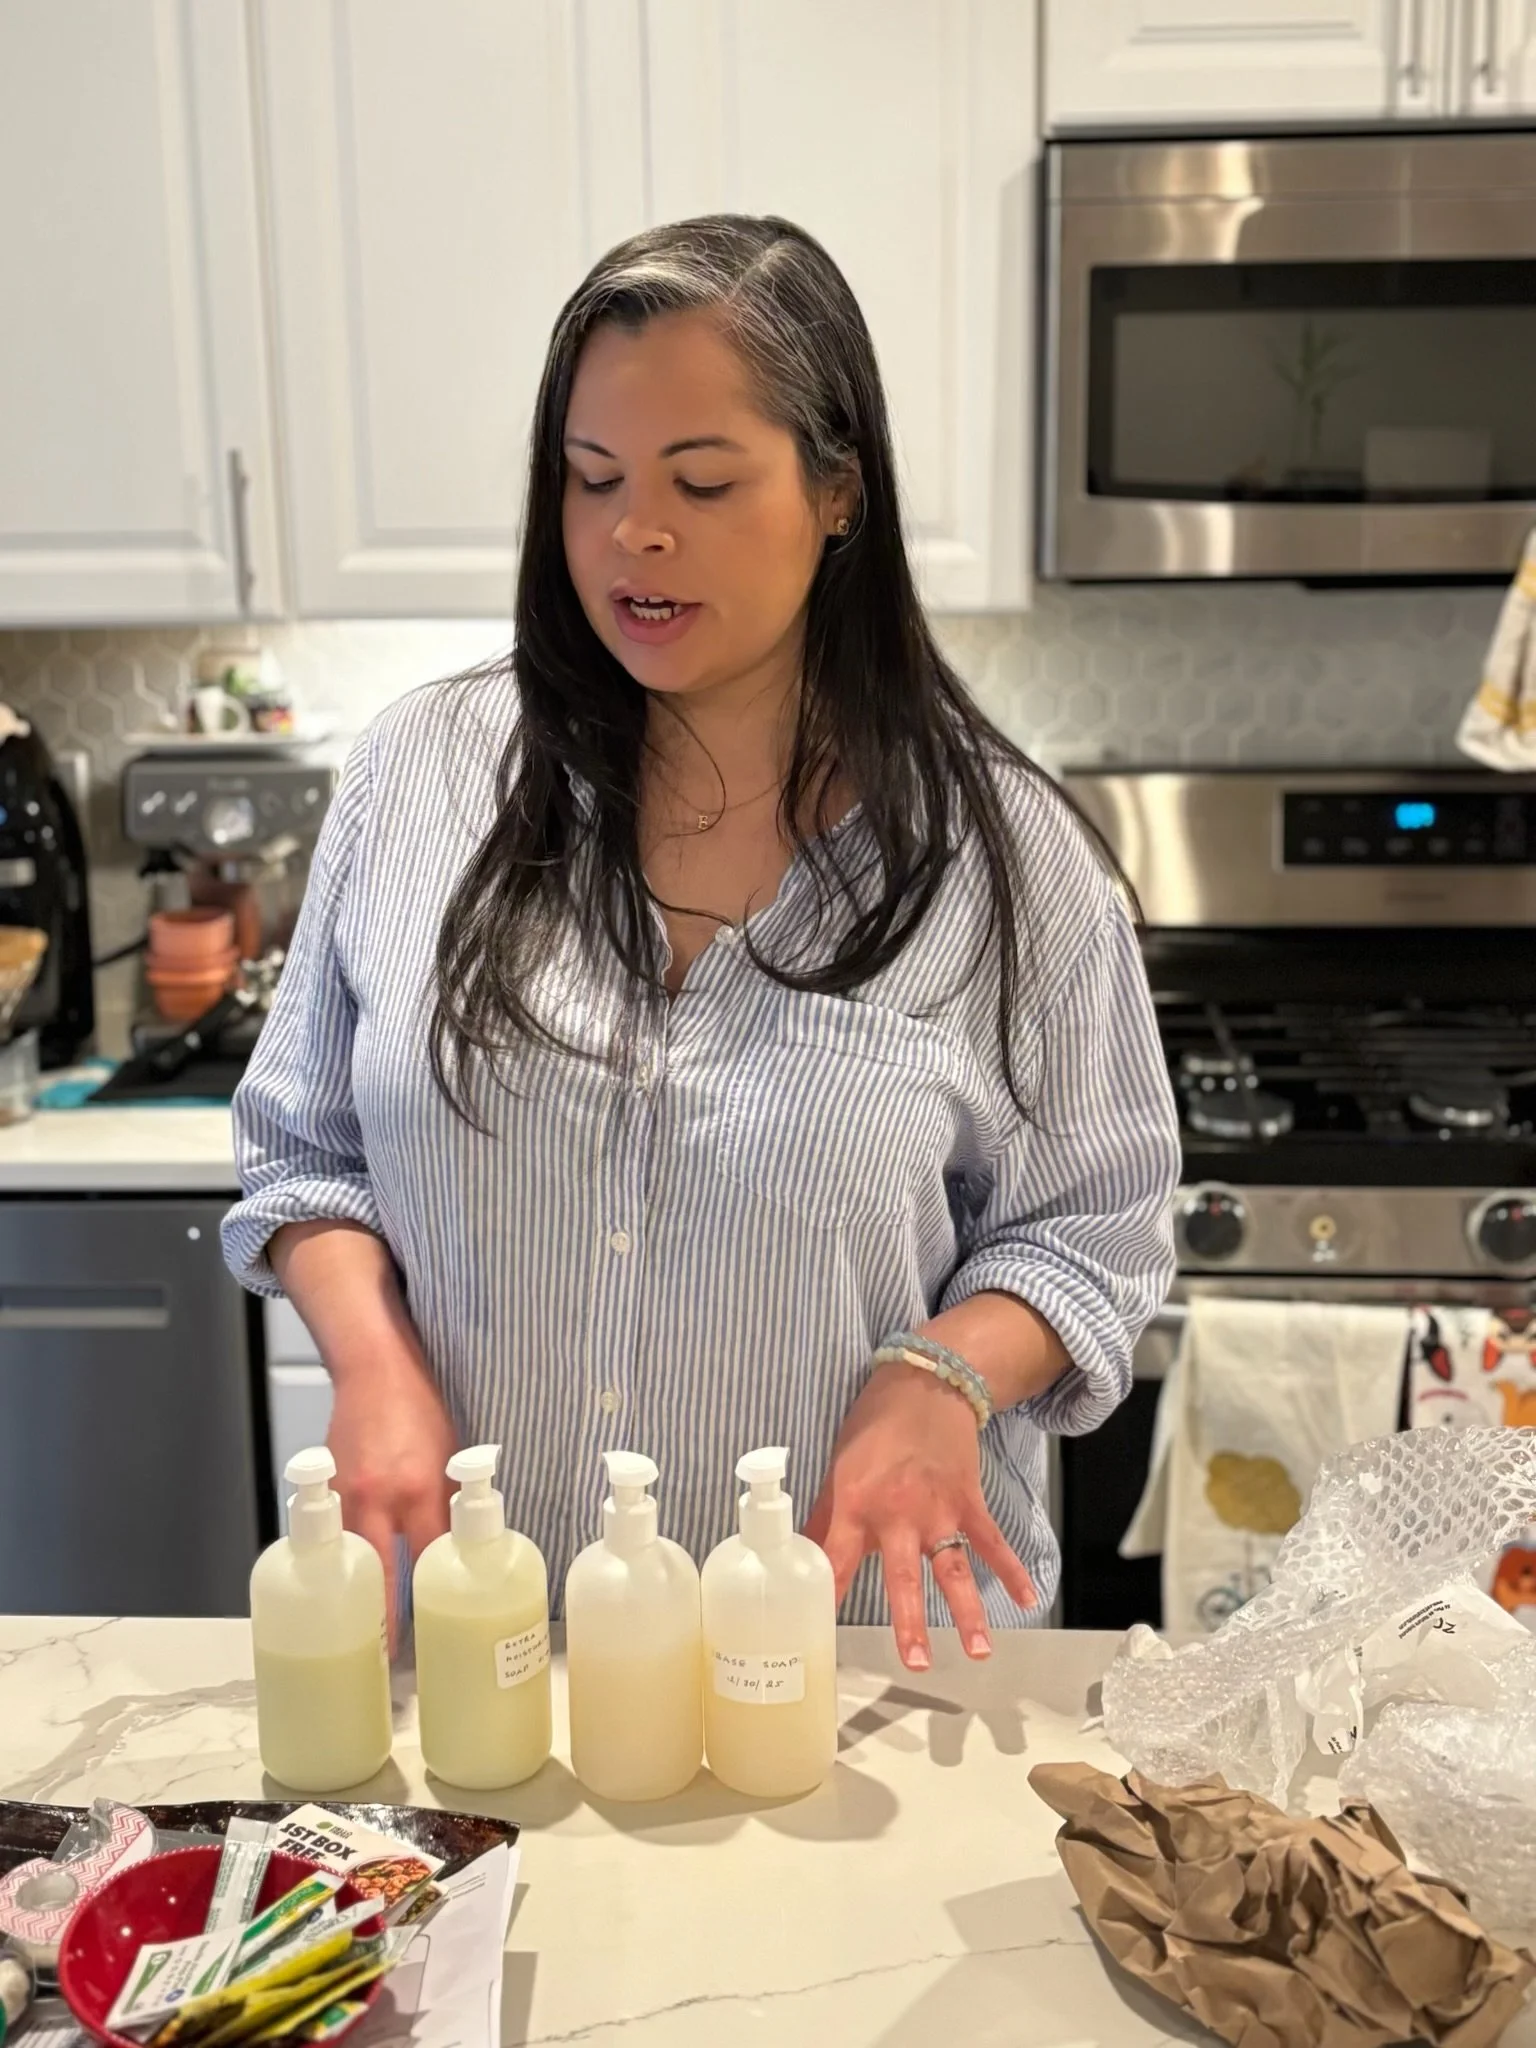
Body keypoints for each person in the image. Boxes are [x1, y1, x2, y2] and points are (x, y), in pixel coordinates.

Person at [223, 214, 1179, 1674]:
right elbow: (307, 1149)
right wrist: (372, 1362)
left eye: (703, 482)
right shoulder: (419, 777)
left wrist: (940, 1376)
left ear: (840, 490)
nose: (635, 536)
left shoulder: (1011, 860)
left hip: (855, 1678)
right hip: (490, 1658)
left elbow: (1096, 1227)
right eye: (592, 480)